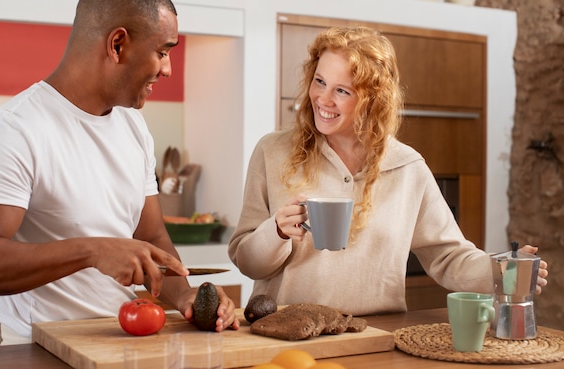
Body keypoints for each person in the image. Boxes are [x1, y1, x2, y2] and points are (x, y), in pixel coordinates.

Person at [0, 0, 239, 346]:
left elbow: (149, 235)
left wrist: (185, 295)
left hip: (113, 344)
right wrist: (91, 250)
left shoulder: (133, 126)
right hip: (32, 348)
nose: (167, 69)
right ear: (118, 45)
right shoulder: (15, 129)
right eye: (162, 52)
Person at [228, 26, 548, 316]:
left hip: (376, 336)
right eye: (320, 81)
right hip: (288, 332)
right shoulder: (273, 152)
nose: (322, 99)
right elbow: (246, 261)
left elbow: (448, 257)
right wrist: (277, 232)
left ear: (372, 101)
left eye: (342, 90)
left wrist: (502, 269)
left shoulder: (408, 167)